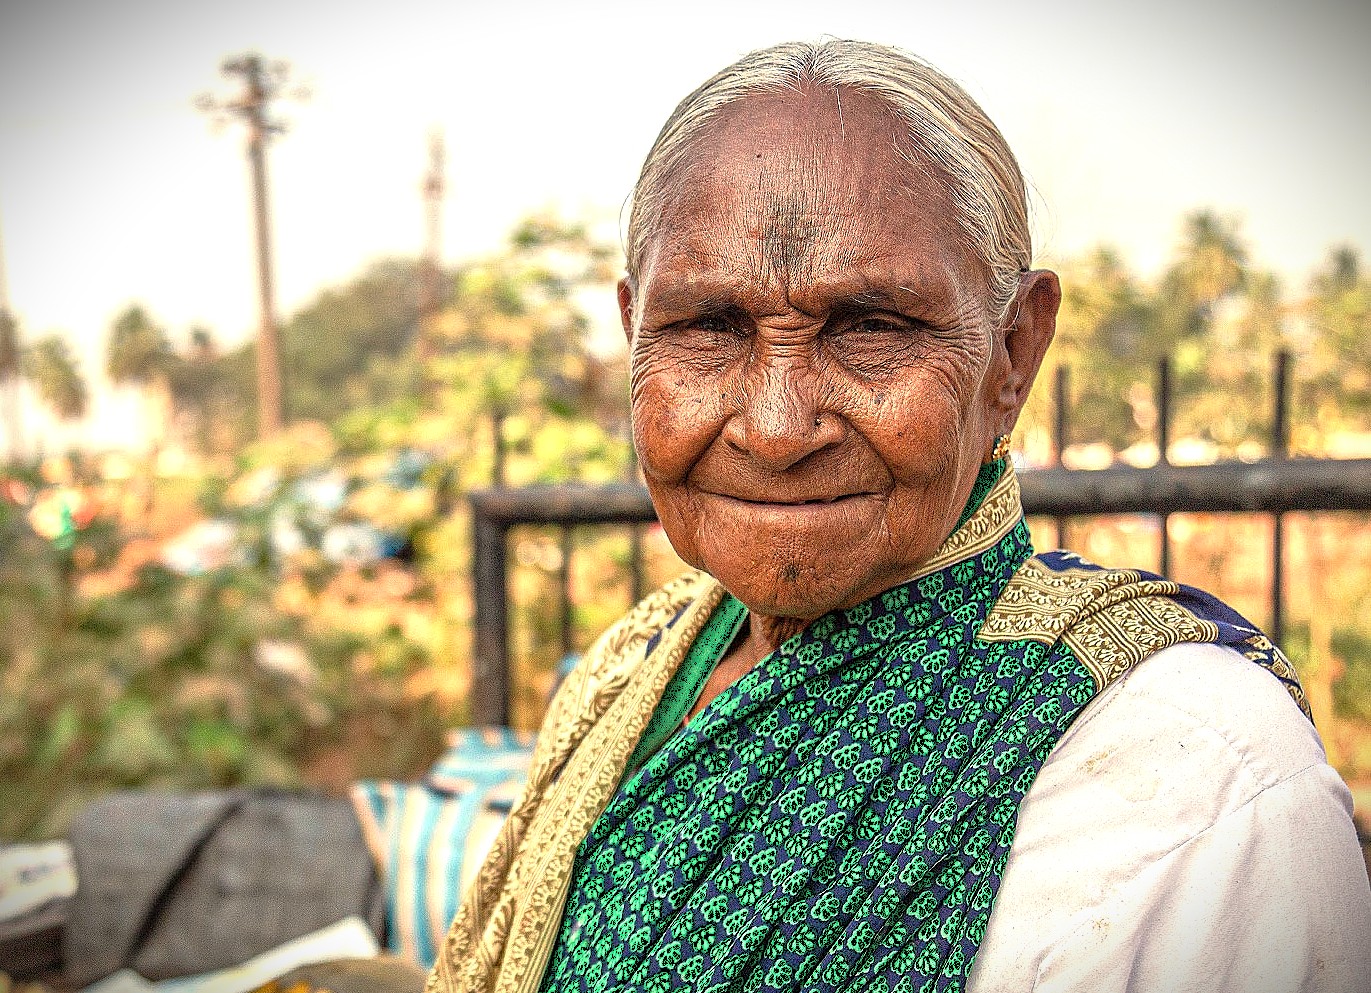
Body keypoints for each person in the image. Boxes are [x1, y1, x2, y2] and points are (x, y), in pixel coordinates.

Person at [428, 40, 1371, 993]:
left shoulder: (1196, 767)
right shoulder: (629, 671)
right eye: (708, 327)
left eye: (870, 327)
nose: (777, 425)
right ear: (635, 332)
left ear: (1011, 353)